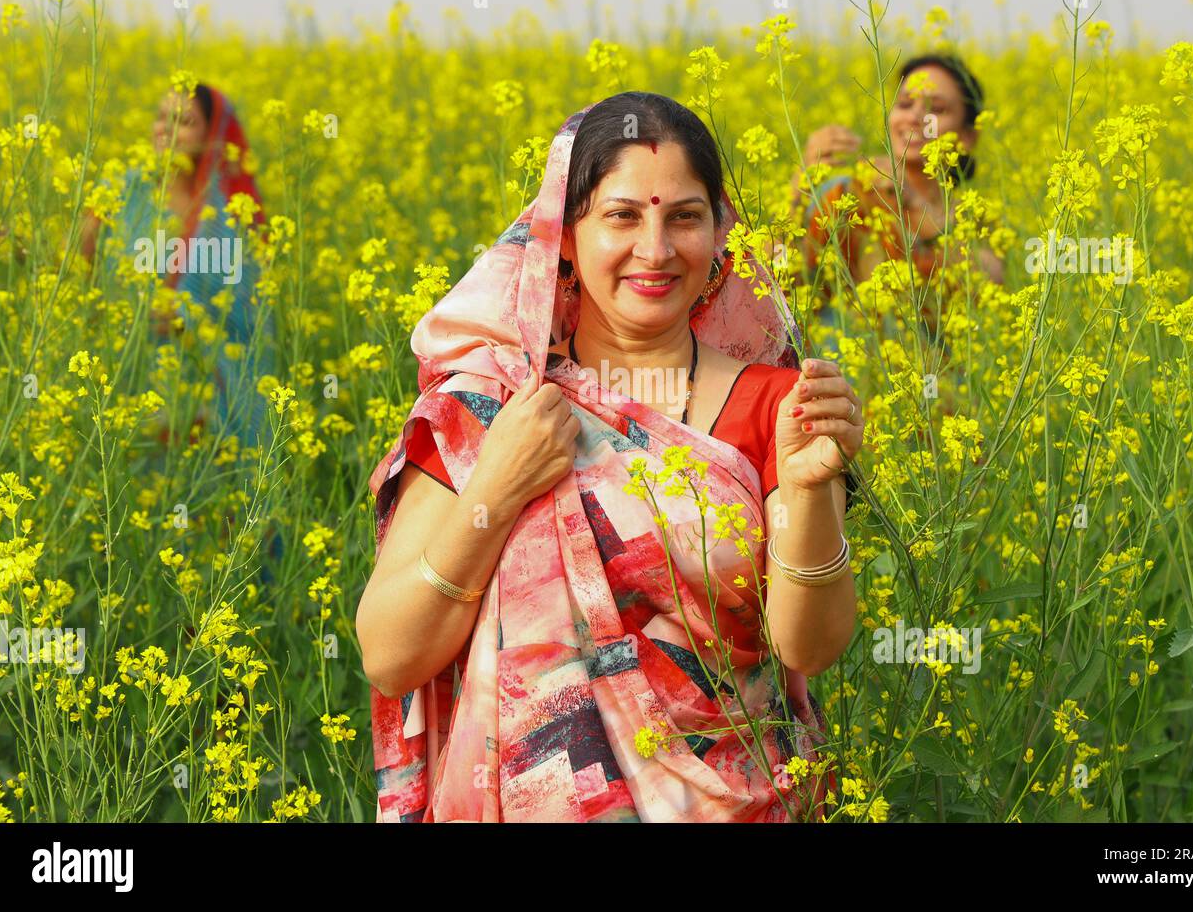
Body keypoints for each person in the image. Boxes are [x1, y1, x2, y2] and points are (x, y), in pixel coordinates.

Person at [357, 92, 868, 823]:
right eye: (622, 216)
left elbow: (806, 647)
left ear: (721, 232)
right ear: (564, 236)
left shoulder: (778, 406)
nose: (656, 249)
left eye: (684, 217)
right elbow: (389, 653)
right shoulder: (496, 405)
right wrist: (496, 490)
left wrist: (814, 490)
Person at [81, 82, 275, 457]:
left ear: (212, 135)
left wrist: (186, 317)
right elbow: (71, 265)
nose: (164, 130)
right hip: (122, 379)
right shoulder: (120, 191)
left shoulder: (229, 217)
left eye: (183, 121)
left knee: (196, 491)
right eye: (160, 117)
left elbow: (251, 317)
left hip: (203, 394)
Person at [794, 54, 1004, 348]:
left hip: (938, 388)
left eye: (937, 109)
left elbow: (985, 286)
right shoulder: (848, 195)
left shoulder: (976, 220)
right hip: (841, 380)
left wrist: (914, 206)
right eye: (905, 104)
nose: (916, 117)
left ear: (968, 137)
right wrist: (801, 184)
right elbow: (783, 280)